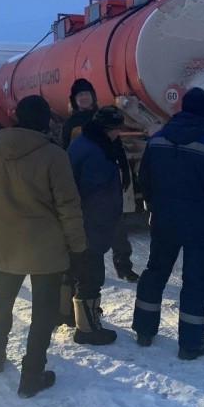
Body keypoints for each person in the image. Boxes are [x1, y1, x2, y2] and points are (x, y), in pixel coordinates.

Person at [0, 95, 87, 398]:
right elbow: (68, 205)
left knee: (2, 300)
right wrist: (77, 246)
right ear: (43, 120)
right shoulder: (53, 155)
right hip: (46, 247)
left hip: (8, 242)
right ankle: (32, 375)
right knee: (43, 312)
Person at [132, 87, 204, 360]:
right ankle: (191, 344)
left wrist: (154, 207)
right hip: (201, 228)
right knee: (195, 282)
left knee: (155, 272)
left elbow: (144, 181)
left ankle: (144, 330)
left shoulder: (156, 142)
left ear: (180, 111)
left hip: (164, 222)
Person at [61, 78, 139, 283]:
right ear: (75, 100)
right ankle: (84, 274)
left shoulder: (104, 116)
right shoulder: (72, 124)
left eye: (87, 94)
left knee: (118, 228)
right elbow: (64, 153)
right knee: (91, 233)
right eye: (80, 95)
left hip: (108, 181)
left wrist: (124, 169)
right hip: (87, 187)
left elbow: (118, 148)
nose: (84, 98)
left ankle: (123, 265)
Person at [66, 106, 128, 346]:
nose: (117, 135)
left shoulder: (84, 140)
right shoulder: (96, 152)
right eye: (115, 130)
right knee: (91, 275)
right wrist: (106, 223)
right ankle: (88, 329)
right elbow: (96, 193)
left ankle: (67, 315)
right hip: (90, 223)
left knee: (75, 270)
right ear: (106, 129)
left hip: (79, 220)